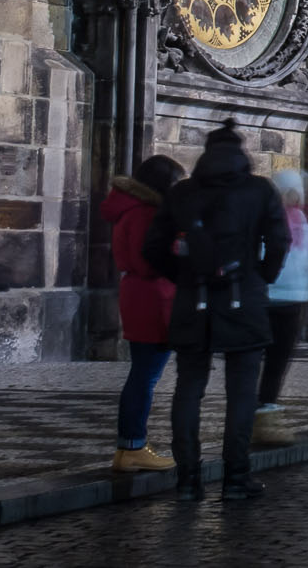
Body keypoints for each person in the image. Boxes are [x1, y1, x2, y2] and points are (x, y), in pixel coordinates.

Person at [143, 123, 289, 501]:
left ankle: (188, 480)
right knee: (241, 394)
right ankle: (236, 478)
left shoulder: (182, 193)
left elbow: (154, 247)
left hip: (194, 300)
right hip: (245, 299)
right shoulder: (259, 190)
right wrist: (261, 277)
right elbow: (279, 241)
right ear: (241, 154)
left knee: (189, 390)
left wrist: (185, 277)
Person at [103, 154, 184, 472]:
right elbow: (147, 260)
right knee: (145, 376)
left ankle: (130, 447)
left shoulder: (132, 209)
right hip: (152, 297)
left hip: (141, 295)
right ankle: (132, 444)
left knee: (143, 374)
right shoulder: (146, 213)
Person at [254, 169, 308, 446]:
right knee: (262, 359)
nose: (293, 198)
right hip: (270, 297)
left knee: (277, 360)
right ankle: (257, 412)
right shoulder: (267, 221)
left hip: (292, 299)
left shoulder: (304, 223)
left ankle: (265, 410)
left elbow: (307, 260)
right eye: (289, 193)